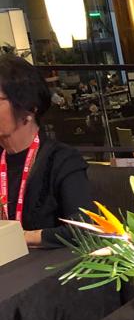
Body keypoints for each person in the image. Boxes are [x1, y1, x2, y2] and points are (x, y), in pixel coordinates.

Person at [0, 54, 91, 248]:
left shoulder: (62, 160)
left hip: (45, 270)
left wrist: (22, 237)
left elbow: (84, 229)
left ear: (29, 107)